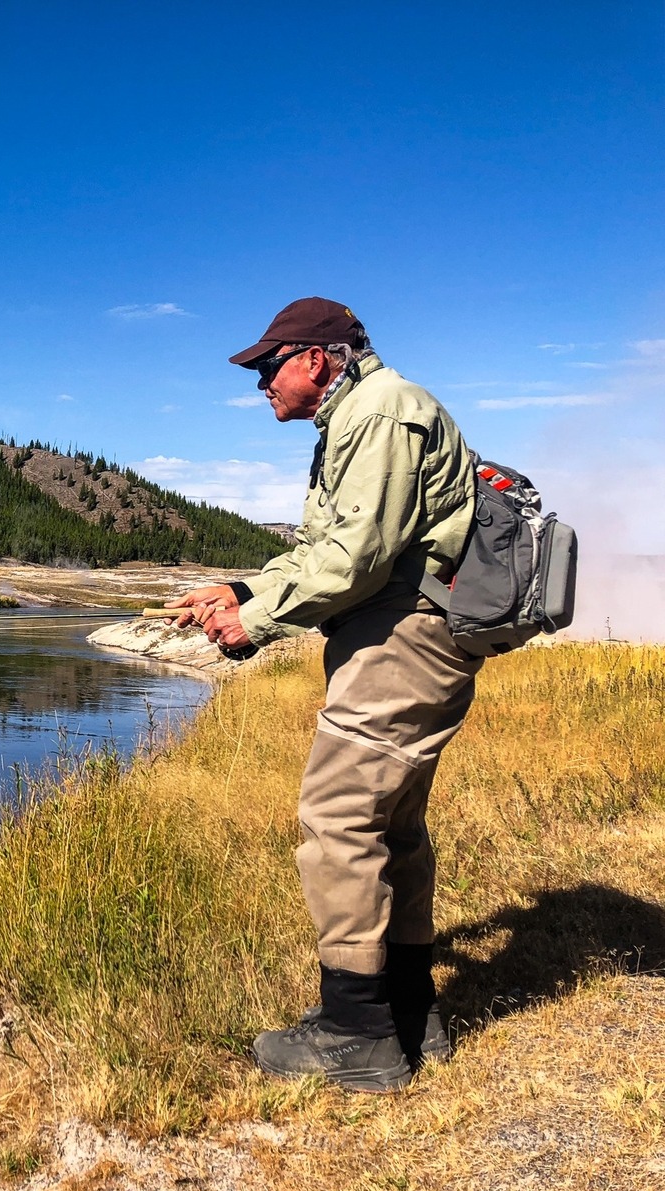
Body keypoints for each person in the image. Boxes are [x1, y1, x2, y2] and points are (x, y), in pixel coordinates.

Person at [167, 297, 479, 1093]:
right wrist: (237, 588)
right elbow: (326, 550)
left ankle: (357, 1034)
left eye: (267, 368)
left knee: (337, 816)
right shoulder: (358, 415)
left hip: (404, 638)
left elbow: (356, 561)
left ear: (313, 358)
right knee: (390, 826)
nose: (260, 384)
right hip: (403, 633)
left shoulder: (379, 411)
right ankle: (410, 1014)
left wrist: (254, 624)